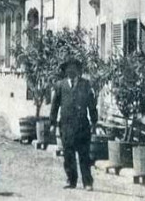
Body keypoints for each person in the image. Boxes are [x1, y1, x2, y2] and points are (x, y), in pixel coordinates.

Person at [50, 57, 98, 191]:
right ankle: (71, 180)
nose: (71, 71)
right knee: (68, 155)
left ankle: (87, 182)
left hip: (82, 126)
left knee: (84, 155)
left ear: (78, 70)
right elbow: (54, 105)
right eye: (68, 69)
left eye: (74, 69)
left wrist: (94, 122)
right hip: (66, 126)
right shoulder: (60, 85)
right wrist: (52, 123)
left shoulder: (85, 85)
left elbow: (92, 105)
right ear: (65, 71)